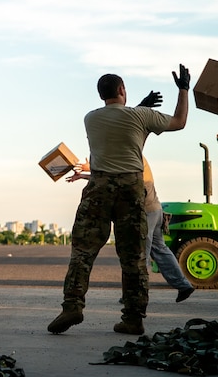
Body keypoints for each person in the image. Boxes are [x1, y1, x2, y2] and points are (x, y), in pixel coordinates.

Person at [48, 67, 190, 336]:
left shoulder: (90, 118)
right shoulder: (141, 116)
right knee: (134, 257)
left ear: (101, 95)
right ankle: (133, 318)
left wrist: (138, 107)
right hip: (130, 189)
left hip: (99, 188)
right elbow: (179, 121)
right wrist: (183, 89)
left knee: (82, 252)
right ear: (123, 90)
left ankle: (72, 307)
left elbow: (121, 119)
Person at [67, 155, 194, 303]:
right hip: (155, 209)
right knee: (160, 249)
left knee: (139, 255)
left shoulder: (131, 155)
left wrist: (91, 169)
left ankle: (134, 296)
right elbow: (114, 179)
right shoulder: (129, 154)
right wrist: (84, 175)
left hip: (145, 211)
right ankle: (183, 285)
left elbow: (116, 178)